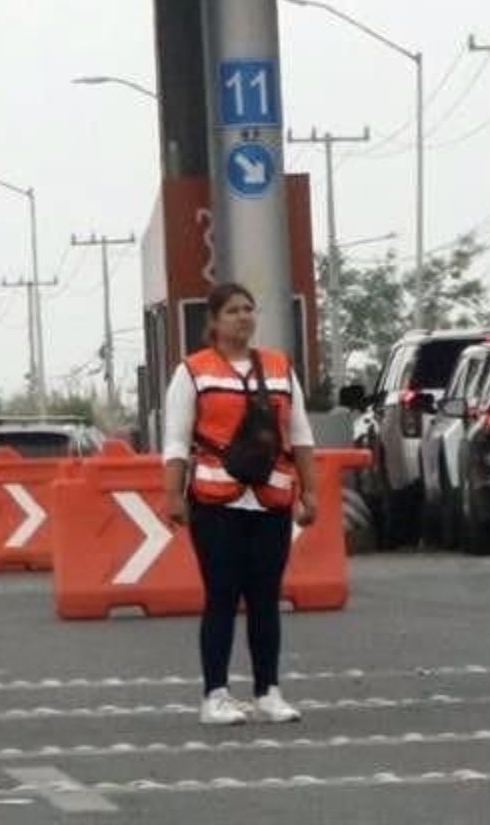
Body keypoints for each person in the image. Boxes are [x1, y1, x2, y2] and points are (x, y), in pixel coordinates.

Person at [161, 282, 319, 727]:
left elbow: (301, 436)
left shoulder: (280, 368)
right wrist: (172, 494)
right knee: (222, 596)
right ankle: (215, 695)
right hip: (215, 503)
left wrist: (311, 491)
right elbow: (175, 440)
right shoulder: (192, 372)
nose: (243, 317)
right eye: (233, 311)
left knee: (266, 597)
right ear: (213, 321)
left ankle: (269, 691)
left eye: (249, 309)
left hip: (271, 500)